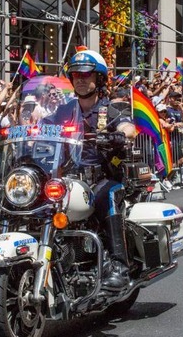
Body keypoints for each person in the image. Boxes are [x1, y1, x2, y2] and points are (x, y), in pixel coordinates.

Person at [55, 49, 137, 291]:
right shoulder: (64, 110)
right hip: (69, 179)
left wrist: (122, 133)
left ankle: (119, 266)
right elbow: (42, 126)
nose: (80, 79)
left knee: (107, 195)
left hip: (103, 177)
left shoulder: (109, 109)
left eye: (86, 74)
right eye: (76, 74)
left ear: (99, 78)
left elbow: (127, 125)